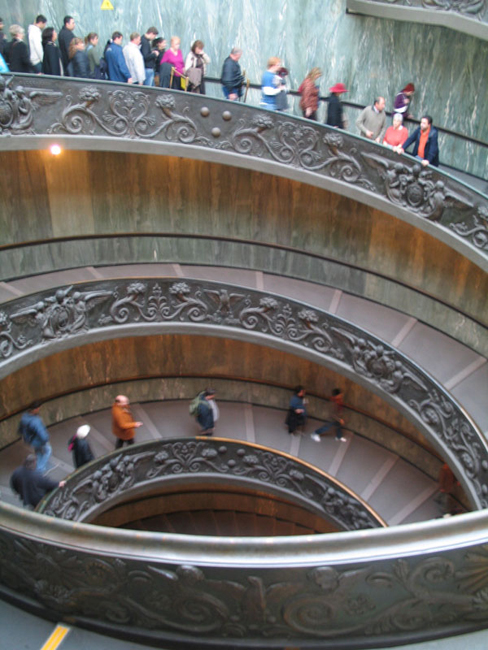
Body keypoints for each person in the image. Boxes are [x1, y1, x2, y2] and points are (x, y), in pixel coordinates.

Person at [18, 401, 52, 473]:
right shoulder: (35, 421)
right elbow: (41, 434)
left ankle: (38, 467)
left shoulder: (24, 417)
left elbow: (20, 429)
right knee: (48, 451)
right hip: (38, 440)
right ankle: (40, 469)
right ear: (35, 409)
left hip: (31, 440)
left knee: (38, 452)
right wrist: (46, 439)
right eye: (39, 408)